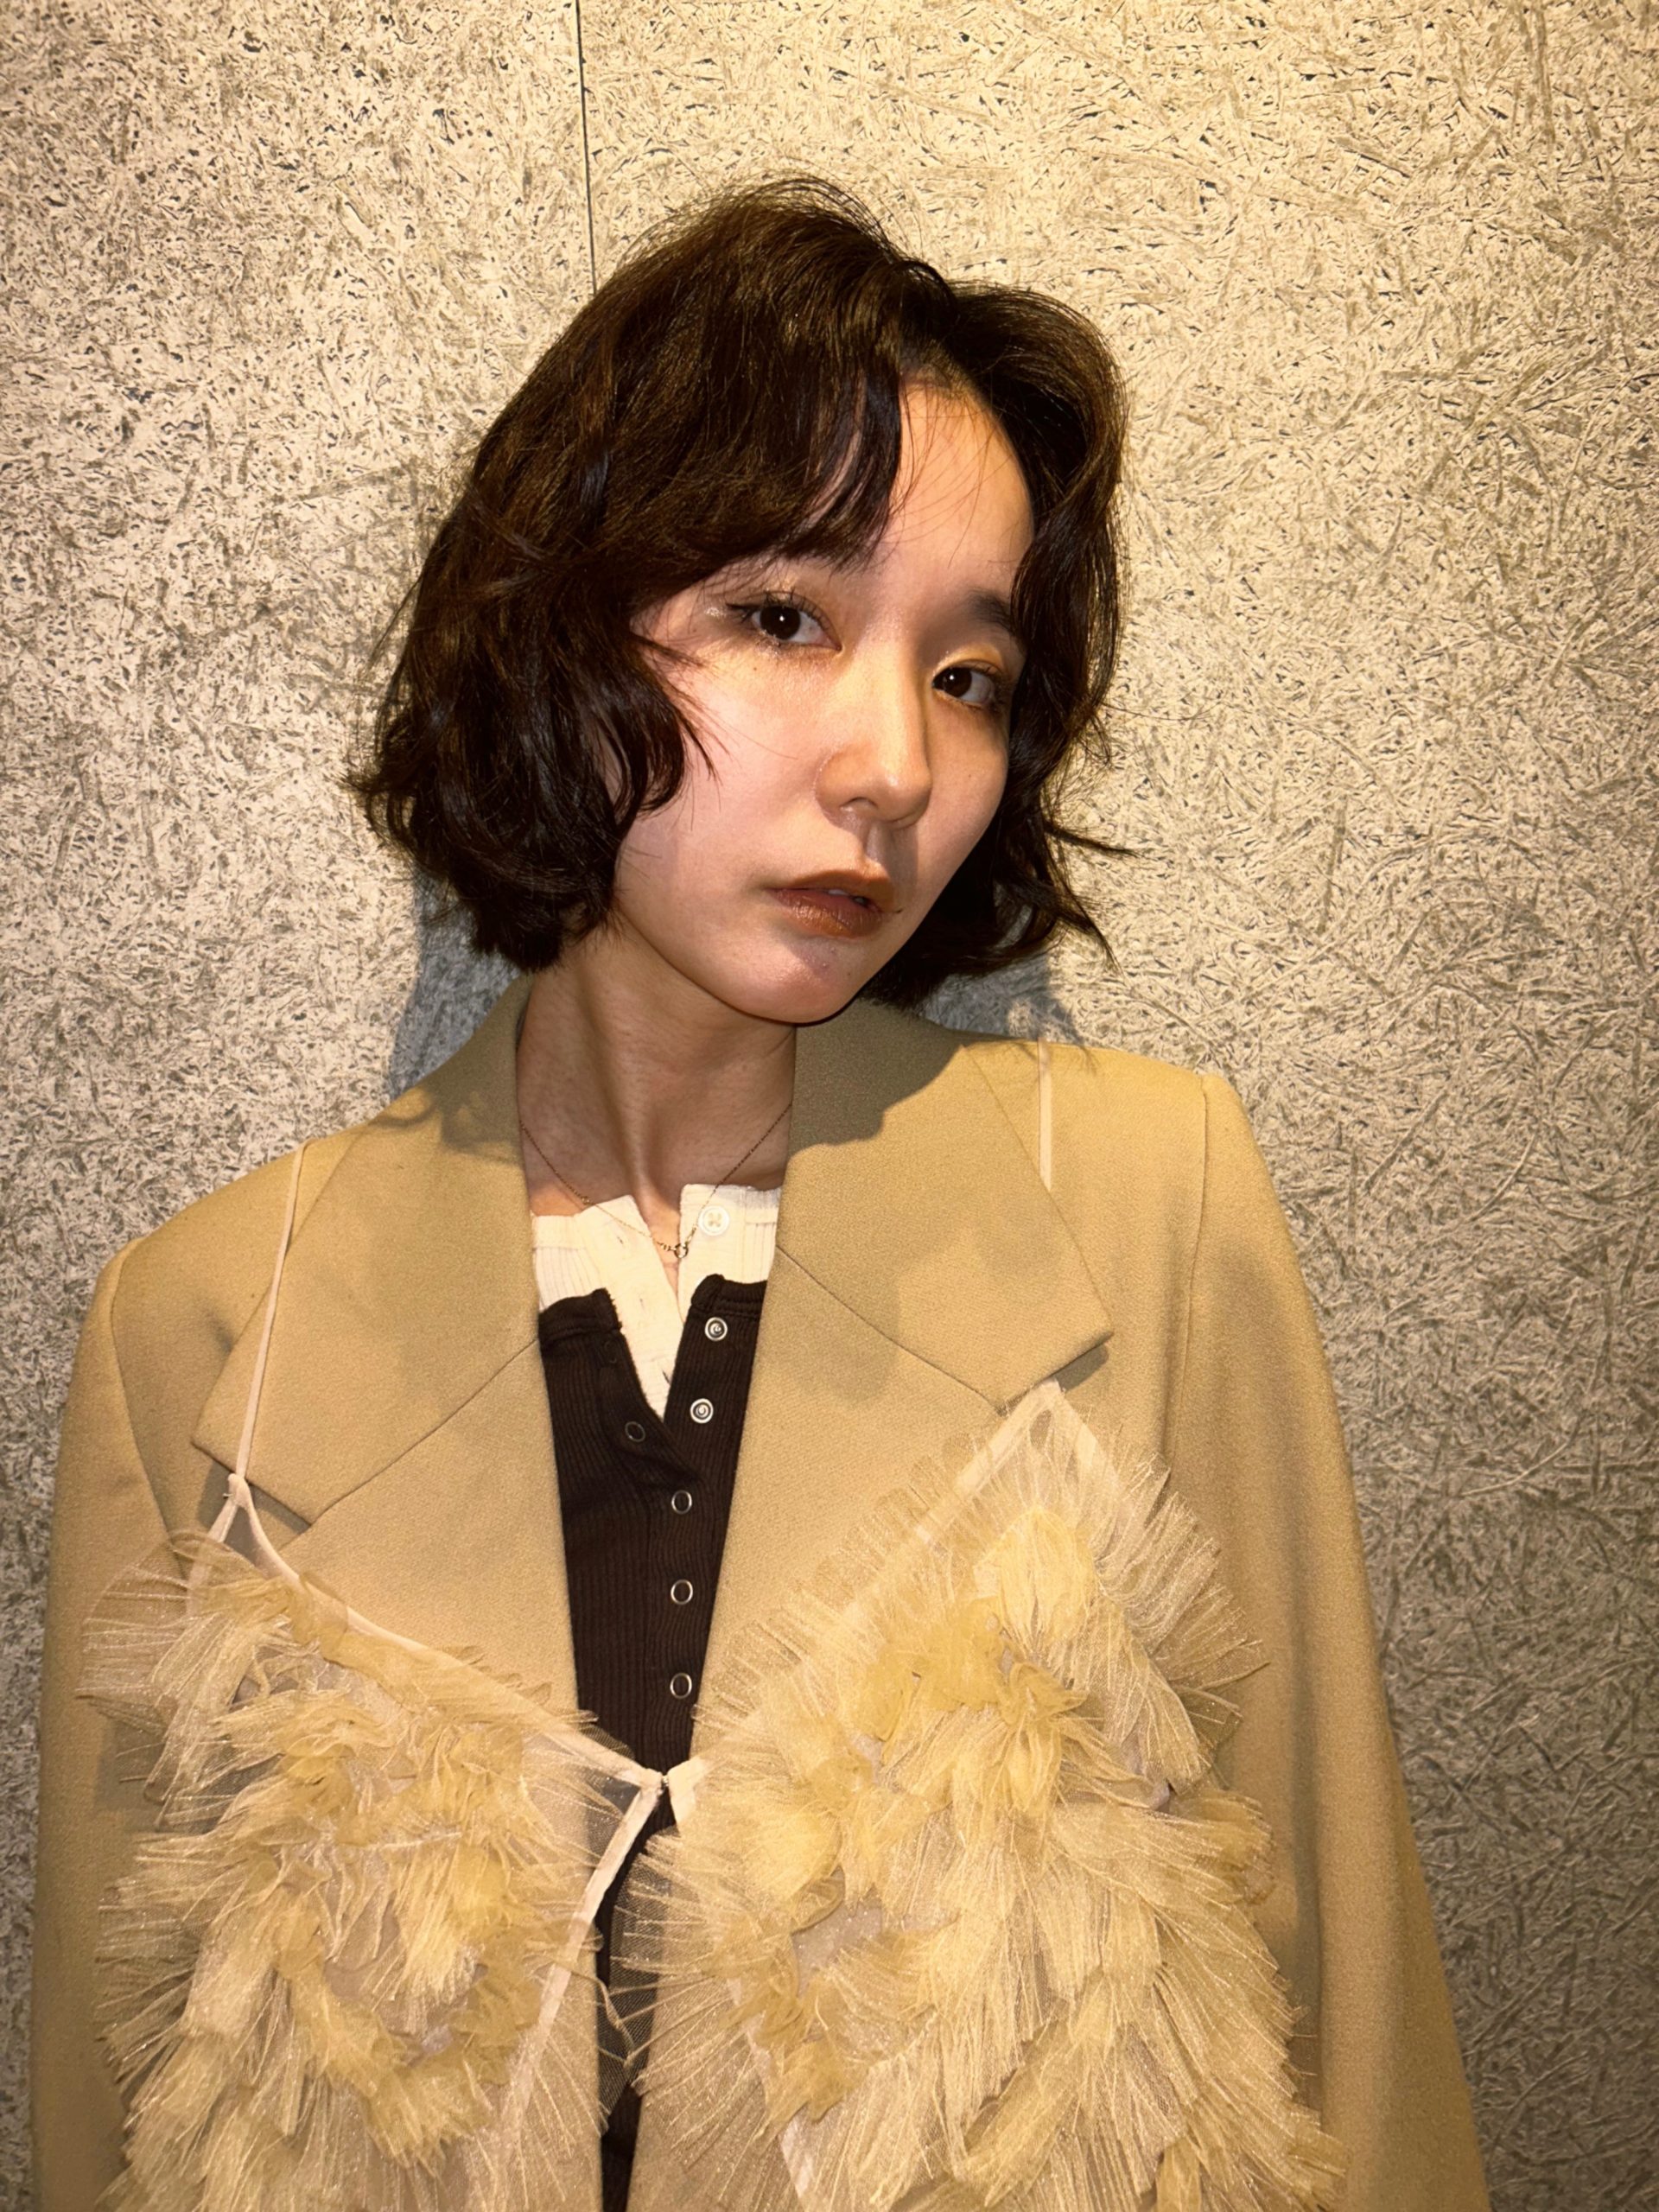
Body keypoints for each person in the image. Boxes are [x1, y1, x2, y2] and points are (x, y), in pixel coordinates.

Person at [32, 180, 1490, 2211]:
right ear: (557, 626)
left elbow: (1352, 2034)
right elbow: (119, 2114)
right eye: (785, 614)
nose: (894, 761)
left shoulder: (1152, 1210)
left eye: (968, 672)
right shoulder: (205, 1329)